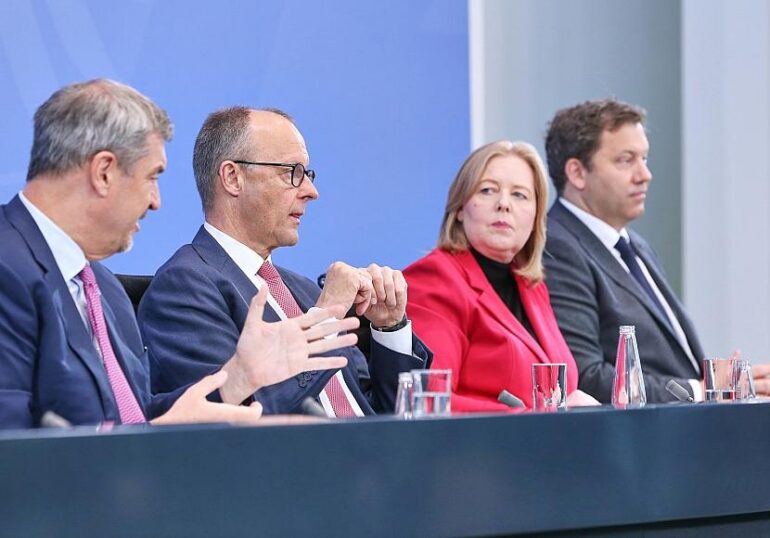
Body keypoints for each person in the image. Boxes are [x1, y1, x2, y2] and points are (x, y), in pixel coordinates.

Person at [0, 80, 358, 429]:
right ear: (104, 172)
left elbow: (137, 418)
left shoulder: (106, 291)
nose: (156, 202)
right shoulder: (7, 268)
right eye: (152, 177)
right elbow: (15, 440)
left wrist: (236, 381)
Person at [137, 106, 431, 416]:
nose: (311, 192)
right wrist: (327, 316)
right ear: (233, 178)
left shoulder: (302, 290)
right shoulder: (183, 287)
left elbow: (377, 413)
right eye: (292, 172)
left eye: (308, 174)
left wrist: (390, 328)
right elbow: (234, 415)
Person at [543, 98, 719, 403]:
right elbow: (586, 375)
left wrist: (723, 385)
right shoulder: (558, 247)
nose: (644, 175)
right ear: (577, 173)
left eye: (644, 158)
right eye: (626, 160)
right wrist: (700, 390)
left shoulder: (635, 245)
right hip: (632, 431)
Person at [403, 140, 598, 412]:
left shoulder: (530, 285)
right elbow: (430, 401)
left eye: (519, 195)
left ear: (536, 217)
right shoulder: (436, 278)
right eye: (487, 190)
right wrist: (537, 418)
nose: (504, 204)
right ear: (460, 208)